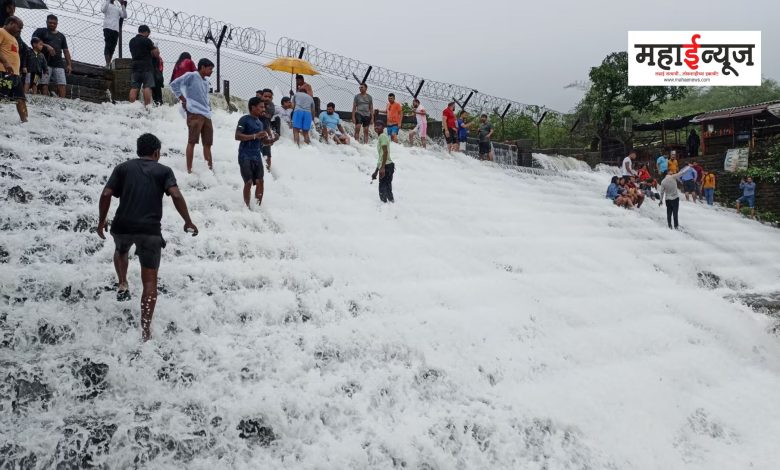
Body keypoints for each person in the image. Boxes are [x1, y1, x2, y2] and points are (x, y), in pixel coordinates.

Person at [97, 133, 198, 342]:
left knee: (121, 250)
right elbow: (177, 195)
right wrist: (187, 221)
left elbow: (106, 194)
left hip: (122, 225)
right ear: (156, 152)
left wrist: (101, 221)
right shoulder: (164, 171)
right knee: (150, 281)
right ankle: (145, 330)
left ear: (138, 150)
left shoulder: (122, 168)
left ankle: (123, 283)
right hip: (150, 231)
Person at [170, 58, 215, 173]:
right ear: (203, 67)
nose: (211, 71)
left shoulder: (205, 82)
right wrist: (183, 100)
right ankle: (189, 170)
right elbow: (174, 84)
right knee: (192, 141)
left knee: (208, 143)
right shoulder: (192, 75)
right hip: (194, 112)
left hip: (206, 114)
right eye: (210, 69)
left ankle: (209, 169)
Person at [235, 97, 271, 208]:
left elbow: (263, 141)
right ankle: (247, 207)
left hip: (256, 156)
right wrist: (255, 136)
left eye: (264, 107)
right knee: (249, 182)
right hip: (245, 155)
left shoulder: (260, 123)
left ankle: (258, 206)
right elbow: (237, 136)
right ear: (253, 107)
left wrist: (272, 140)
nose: (263, 109)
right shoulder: (244, 119)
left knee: (260, 181)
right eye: (261, 107)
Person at [32, 14, 71, 98]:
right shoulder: (41, 31)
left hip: (58, 63)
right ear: (46, 22)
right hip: (44, 62)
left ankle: (62, 102)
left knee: (62, 83)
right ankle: (45, 100)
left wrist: (69, 64)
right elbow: (33, 41)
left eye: (54, 23)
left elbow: (66, 51)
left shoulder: (61, 36)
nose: (52, 24)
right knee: (44, 83)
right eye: (50, 23)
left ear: (57, 24)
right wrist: (47, 46)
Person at [1, 15, 26, 122]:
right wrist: (6, 62)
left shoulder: (14, 38)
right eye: (19, 27)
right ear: (11, 23)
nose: (20, 29)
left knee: (20, 99)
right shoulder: (1, 31)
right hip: (3, 71)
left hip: (15, 75)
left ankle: (25, 121)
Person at [128, 25, 154, 107]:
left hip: (135, 67)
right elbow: (155, 53)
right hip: (146, 67)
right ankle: (147, 107)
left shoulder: (131, 41)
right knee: (147, 87)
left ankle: (132, 106)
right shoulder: (147, 40)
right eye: (148, 33)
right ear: (146, 32)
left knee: (134, 87)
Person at [101, 0, 127, 67]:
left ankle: (108, 63)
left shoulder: (117, 8)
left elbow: (124, 15)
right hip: (107, 27)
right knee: (108, 44)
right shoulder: (106, 4)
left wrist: (122, 5)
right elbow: (103, 10)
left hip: (115, 29)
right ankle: (107, 63)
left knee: (113, 47)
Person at [373, 120, 394, 203]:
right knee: (388, 187)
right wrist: (376, 171)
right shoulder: (382, 137)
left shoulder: (382, 136)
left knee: (382, 188)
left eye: (379, 125)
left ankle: (383, 207)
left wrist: (382, 168)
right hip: (388, 165)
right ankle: (391, 204)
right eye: (375, 125)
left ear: (383, 127)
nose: (376, 127)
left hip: (386, 166)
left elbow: (385, 152)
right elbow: (381, 157)